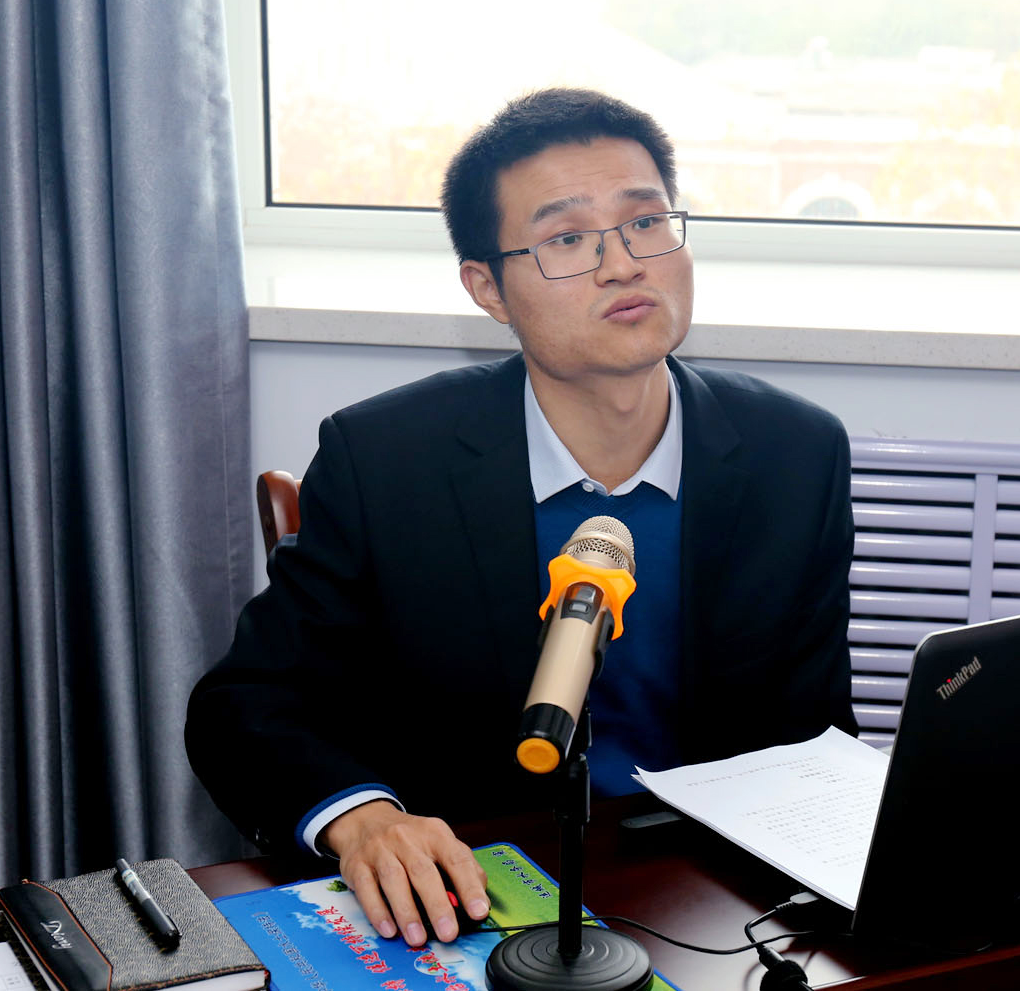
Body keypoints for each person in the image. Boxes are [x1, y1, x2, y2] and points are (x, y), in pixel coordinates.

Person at [186, 88, 855, 952]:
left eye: (646, 222)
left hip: (711, 901)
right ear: (488, 288)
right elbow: (244, 706)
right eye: (567, 238)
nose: (623, 264)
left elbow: (811, 735)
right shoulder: (387, 459)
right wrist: (365, 819)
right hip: (470, 900)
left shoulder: (793, 454)